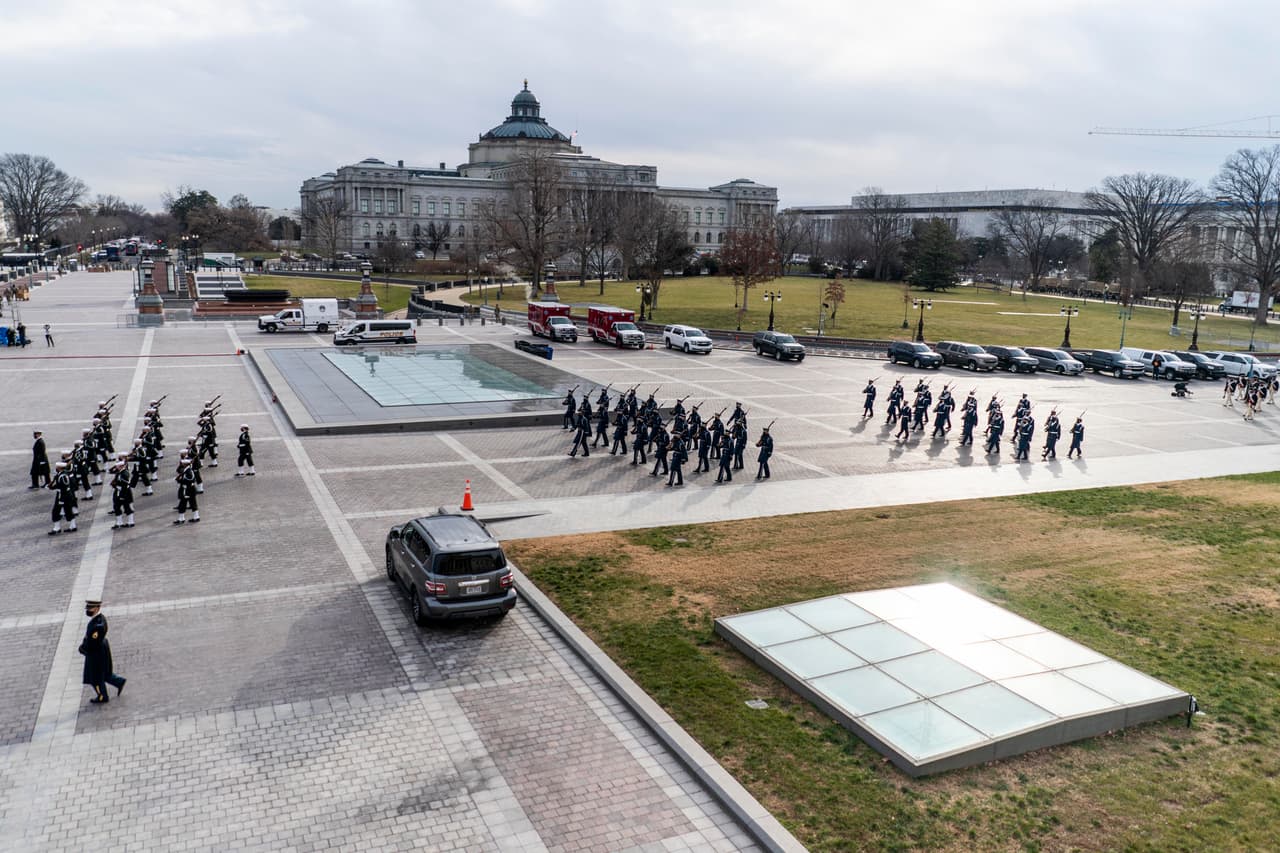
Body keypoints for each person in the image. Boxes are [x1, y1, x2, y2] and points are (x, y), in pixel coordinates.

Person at [79, 600, 125, 704]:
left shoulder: (97, 626)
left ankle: (102, 696)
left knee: (95, 676)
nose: (88, 610)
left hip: (96, 653)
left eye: (90, 608)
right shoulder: (99, 619)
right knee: (104, 673)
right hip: (100, 649)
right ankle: (119, 681)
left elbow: (91, 642)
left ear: (97, 608)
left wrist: (83, 649)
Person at [49, 461, 78, 535]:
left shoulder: (62, 476)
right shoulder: (63, 474)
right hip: (66, 495)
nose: (56, 468)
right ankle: (72, 526)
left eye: (57, 467)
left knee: (56, 511)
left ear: (59, 468)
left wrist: (61, 499)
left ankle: (57, 528)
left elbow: (63, 488)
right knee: (68, 510)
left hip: (63, 496)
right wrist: (52, 487)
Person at [174, 455, 200, 524]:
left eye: (183, 463)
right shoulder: (186, 470)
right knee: (186, 503)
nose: (182, 464)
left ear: (185, 464)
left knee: (187, 503)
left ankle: (183, 518)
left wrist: (180, 481)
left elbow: (191, 479)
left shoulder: (188, 471)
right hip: (188, 489)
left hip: (187, 490)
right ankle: (192, 517)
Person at [109, 460, 135, 529]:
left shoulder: (124, 474)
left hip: (124, 493)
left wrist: (122, 495)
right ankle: (119, 523)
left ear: (121, 466)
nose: (116, 467)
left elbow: (126, 485)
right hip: (119, 492)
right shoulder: (120, 472)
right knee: (116, 507)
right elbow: (110, 471)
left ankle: (131, 522)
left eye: (117, 466)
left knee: (127, 507)